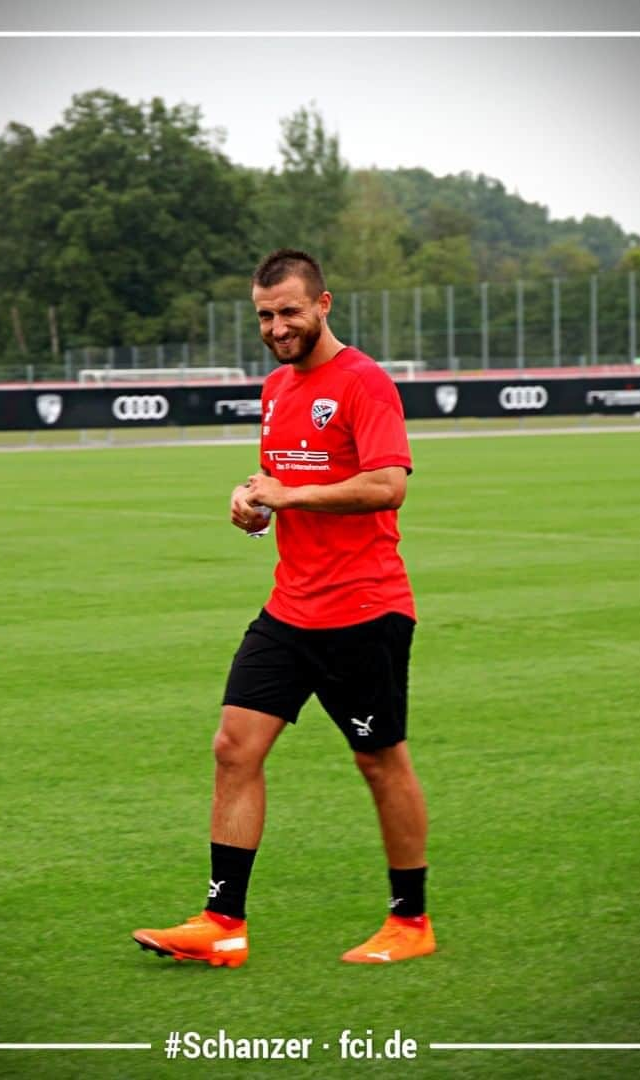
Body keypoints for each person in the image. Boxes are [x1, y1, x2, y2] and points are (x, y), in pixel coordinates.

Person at [132, 249, 433, 967]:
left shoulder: (364, 383)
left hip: (364, 609)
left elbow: (388, 484)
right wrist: (253, 502)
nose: (276, 327)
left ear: (324, 304)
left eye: (289, 312)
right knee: (234, 747)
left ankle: (411, 922)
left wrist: (288, 496)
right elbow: (277, 476)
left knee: (379, 762)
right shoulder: (274, 389)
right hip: (291, 608)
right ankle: (222, 923)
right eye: (265, 315)